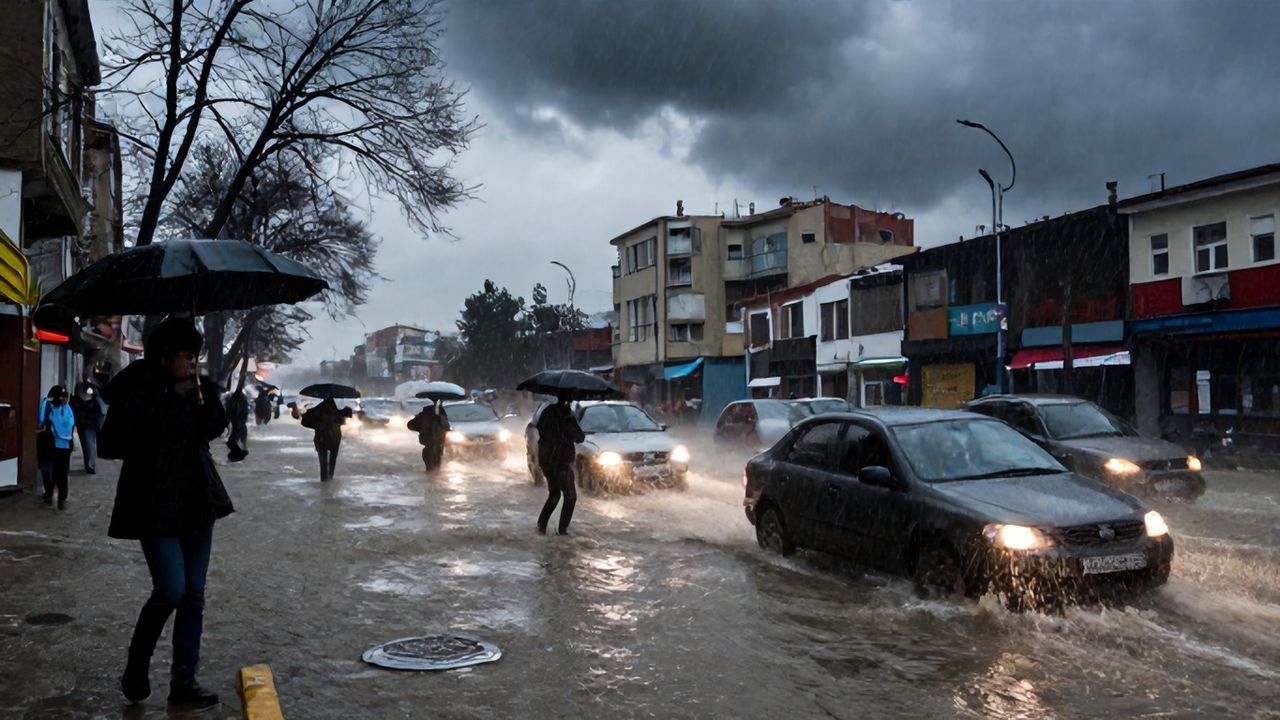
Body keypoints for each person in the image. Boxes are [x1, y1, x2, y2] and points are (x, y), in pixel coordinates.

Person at [98, 317, 232, 708]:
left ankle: (183, 683)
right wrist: (168, 401)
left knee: (194, 595)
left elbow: (213, 430)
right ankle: (136, 665)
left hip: (197, 500)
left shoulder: (197, 388)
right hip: (153, 503)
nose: (191, 363)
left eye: (194, 356)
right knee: (171, 588)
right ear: (163, 357)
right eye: (185, 356)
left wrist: (204, 400)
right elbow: (110, 444)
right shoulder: (136, 386)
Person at [535, 391, 585, 536]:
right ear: (568, 400)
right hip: (561, 461)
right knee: (570, 496)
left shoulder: (547, 411)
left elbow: (539, 428)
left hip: (546, 460)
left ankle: (541, 526)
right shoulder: (567, 416)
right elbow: (580, 437)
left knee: (554, 494)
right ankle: (562, 531)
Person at [37, 385, 75, 508]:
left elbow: (41, 421)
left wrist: (45, 402)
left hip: (51, 444)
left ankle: (49, 494)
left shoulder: (48, 405)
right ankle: (61, 498)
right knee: (62, 472)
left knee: (49, 470)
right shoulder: (67, 407)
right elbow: (71, 423)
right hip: (66, 446)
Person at [301, 398, 351, 481]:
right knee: (332, 459)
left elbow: (305, 422)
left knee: (323, 462)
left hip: (322, 438)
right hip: (334, 437)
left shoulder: (317, 411)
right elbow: (344, 420)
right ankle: (330, 477)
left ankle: (324, 479)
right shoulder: (337, 411)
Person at [70, 382, 103, 474]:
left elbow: (98, 415)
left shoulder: (93, 402)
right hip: (84, 426)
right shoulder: (78, 401)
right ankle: (89, 465)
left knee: (90, 446)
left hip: (89, 426)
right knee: (87, 447)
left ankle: (90, 466)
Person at [407, 401, 450, 471]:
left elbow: (411, 425)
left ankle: (432, 473)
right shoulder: (441, 416)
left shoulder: (423, 416)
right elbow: (447, 427)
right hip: (437, 444)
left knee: (430, 465)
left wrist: (421, 428)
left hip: (430, 444)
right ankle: (434, 474)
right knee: (435, 464)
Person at [224, 389, 249, 462]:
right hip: (239, 424)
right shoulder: (241, 401)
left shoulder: (233, 401)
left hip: (237, 424)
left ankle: (238, 453)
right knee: (234, 440)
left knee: (233, 441)